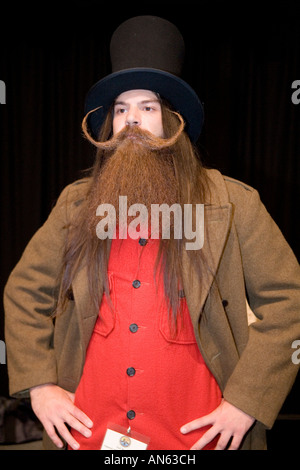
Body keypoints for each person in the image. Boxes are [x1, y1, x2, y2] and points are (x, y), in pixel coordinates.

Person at [4, 16, 300, 451]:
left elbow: (289, 303)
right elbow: (25, 292)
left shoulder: (234, 204)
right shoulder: (76, 204)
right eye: (121, 109)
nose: (132, 120)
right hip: (90, 433)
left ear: (174, 121)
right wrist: (40, 385)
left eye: (147, 107)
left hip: (197, 440)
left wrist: (249, 400)